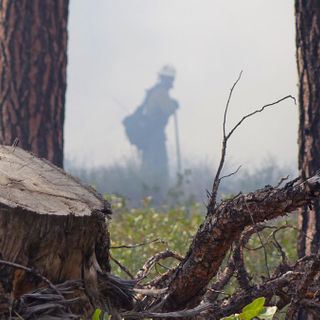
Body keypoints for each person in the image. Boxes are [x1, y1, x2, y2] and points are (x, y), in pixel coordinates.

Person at [123, 65, 179, 201]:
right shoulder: (161, 93)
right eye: (170, 79)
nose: (171, 82)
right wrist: (174, 104)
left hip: (151, 138)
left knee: (150, 167)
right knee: (157, 168)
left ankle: (149, 196)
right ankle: (154, 198)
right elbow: (168, 109)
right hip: (155, 139)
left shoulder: (155, 91)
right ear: (166, 79)